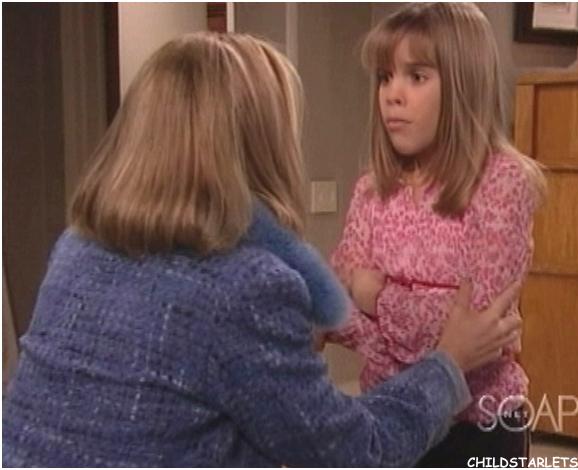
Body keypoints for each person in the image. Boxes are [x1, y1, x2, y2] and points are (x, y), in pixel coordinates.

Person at [2, 32, 521, 467]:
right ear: (259, 144)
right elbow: (353, 452)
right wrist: (449, 361)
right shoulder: (245, 286)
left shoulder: (76, 249)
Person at [325, 3, 546, 467]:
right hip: (388, 420)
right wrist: (424, 325)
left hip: (477, 428)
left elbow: (476, 330)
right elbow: (333, 305)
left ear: (463, 85)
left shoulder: (502, 183)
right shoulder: (372, 189)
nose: (393, 95)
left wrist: (375, 295)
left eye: (416, 76)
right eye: (385, 77)